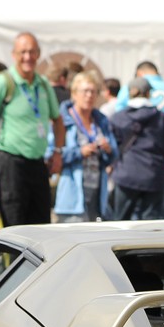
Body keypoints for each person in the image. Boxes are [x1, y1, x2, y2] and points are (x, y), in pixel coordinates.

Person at [0, 32, 66, 227]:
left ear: (38, 54)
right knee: (14, 229)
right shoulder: (2, 83)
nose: (28, 57)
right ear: (14, 55)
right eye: (23, 52)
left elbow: (58, 121)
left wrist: (57, 152)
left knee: (42, 230)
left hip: (38, 164)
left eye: (32, 52)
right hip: (10, 164)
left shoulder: (43, 84)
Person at [53, 71, 117, 222]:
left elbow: (114, 154)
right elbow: (52, 153)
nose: (89, 96)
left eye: (93, 92)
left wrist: (107, 149)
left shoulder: (100, 120)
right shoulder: (63, 120)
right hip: (72, 196)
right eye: (85, 91)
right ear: (74, 93)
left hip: (97, 195)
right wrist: (79, 152)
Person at [108, 76, 164, 220]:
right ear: (148, 93)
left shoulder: (118, 118)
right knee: (150, 224)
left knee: (120, 222)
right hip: (154, 175)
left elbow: (113, 148)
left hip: (126, 174)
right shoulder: (161, 117)